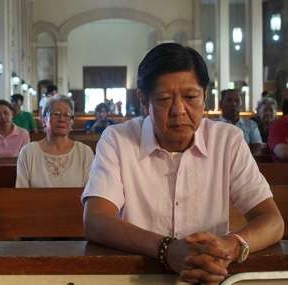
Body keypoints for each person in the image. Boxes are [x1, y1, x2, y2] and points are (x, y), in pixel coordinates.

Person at [82, 43, 283, 284]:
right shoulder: (118, 139)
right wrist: (167, 249)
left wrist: (229, 247)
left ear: (205, 97)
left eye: (190, 97)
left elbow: (272, 221)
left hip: (209, 278)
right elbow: (96, 220)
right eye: (164, 99)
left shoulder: (226, 140)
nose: (179, 110)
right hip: (139, 276)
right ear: (143, 100)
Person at [16, 95, 94, 188]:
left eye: (67, 115)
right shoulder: (28, 152)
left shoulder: (84, 152)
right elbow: (21, 192)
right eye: (56, 114)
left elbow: (90, 192)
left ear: (72, 122)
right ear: (44, 119)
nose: (62, 119)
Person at [219, 89, 263, 154]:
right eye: (229, 100)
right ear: (220, 104)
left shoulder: (251, 125)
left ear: (241, 105)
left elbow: (257, 147)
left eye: (237, 101)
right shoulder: (212, 125)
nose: (233, 104)